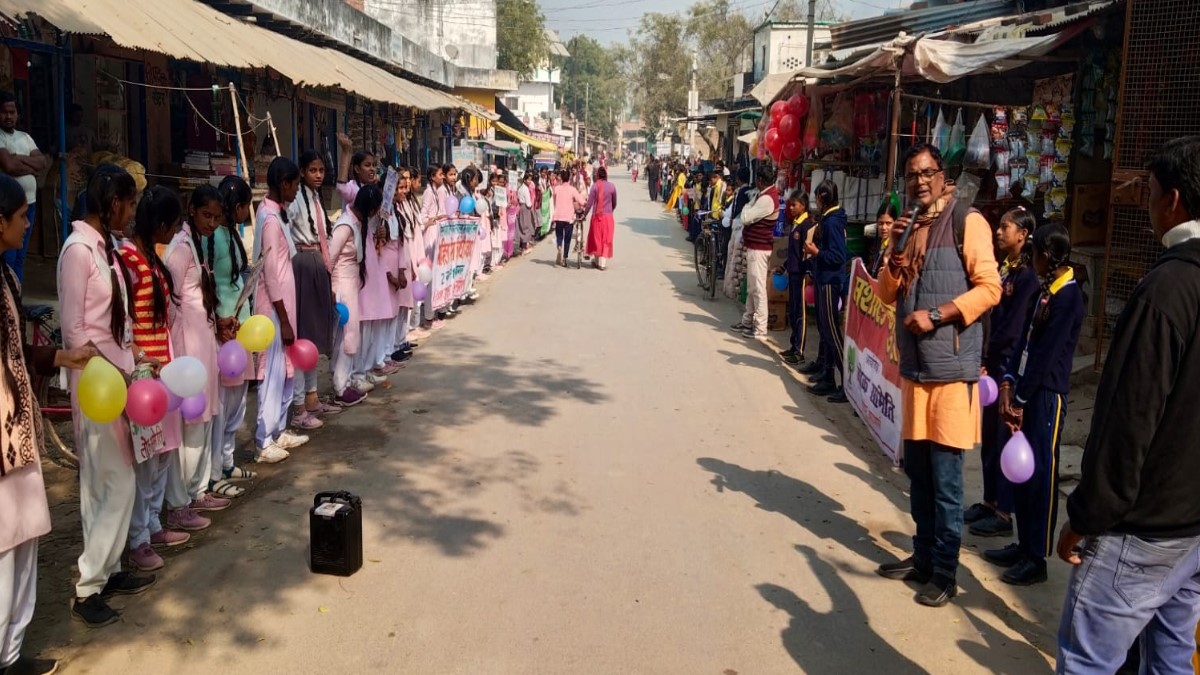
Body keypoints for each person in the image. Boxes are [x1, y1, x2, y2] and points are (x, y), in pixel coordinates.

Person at [1055, 136, 1200, 672]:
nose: (1148, 207)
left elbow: (1127, 421)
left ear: (1174, 201)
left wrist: (1085, 516)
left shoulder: (1166, 290)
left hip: (1144, 530)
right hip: (1190, 530)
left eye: (1151, 194)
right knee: (1170, 661)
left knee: (1088, 661)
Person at [874, 143, 1001, 607]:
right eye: (912, 176)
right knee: (920, 476)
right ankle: (923, 557)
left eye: (927, 173)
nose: (920, 182)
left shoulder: (969, 222)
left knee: (947, 483)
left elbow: (991, 289)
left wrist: (939, 315)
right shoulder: (907, 226)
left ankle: (946, 572)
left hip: (950, 373)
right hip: (915, 372)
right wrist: (893, 253)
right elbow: (888, 295)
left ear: (942, 176)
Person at [2, 173, 96, 674]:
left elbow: (17, 350)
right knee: (5, 542)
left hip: (19, 425)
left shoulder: (9, 277)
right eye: (21, 217)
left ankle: (12, 652)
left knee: (27, 534)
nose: (28, 224)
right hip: (1, 431)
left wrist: (61, 354)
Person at [60, 164, 158, 627]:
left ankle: (109, 569)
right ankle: (87, 586)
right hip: (96, 382)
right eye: (129, 202)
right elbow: (76, 329)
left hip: (117, 377)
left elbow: (118, 320)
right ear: (109, 201)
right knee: (113, 482)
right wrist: (107, 367)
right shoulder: (78, 251)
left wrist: (134, 354)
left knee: (107, 482)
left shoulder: (109, 250)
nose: (132, 212)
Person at [982, 224, 1084, 586]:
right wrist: (1008, 382)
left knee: (1041, 476)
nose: (1032, 259)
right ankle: (1022, 544)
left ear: (1048, 255)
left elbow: (1045, 355)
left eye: (1036, 252)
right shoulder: (1044, 290)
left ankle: (1036, 557)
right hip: (1024, 389)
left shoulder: (1069, 297)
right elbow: (1025, 342)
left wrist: (1021, 398)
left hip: (1045, 397)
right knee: (1022, 474)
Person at [118, 186, 191, 574]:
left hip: (165, 368)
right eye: (174, 223)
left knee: (162, 453)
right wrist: (141, 359)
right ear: (161, 225)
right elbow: (125, 320)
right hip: (144, 372)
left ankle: (154, 524)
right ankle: (138, 539)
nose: (176, 229)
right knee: (145, 459)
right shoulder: (129, 259)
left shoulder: (151, 256)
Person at [964, 207, 1039, 539]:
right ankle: (989, 498)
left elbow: (1015, 328)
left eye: (1004, 227)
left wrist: (994, 354)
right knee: (989, 436)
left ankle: (1004, 512)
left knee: (1005, 436)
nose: (998, 232)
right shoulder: (1004, 269)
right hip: (991, 362)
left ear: (1022, 234)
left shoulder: (1027, 277)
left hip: (1008, 365)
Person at [164, 185, 232, 530]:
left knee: (204, 418)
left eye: (217, 217)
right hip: (187, 343)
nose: (212, 222)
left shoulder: (197, 244)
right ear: (191, 211)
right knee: (189, 422)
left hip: (203, 339)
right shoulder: (178, 249)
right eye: (207, 215)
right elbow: (172, 305)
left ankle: (199, 489)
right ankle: (180, 500)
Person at [253, 158, 308, 463]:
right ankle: (264, 438)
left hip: (285, 305)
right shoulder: (271, 221)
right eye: (296, 183)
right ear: (284, 183)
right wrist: (283, 319)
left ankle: (278, 429)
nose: (297, 189)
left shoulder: (277, 213)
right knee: (271, 372)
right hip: (274, 310)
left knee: (286, 368)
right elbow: (271, 273)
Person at [209, 177, 258, 493]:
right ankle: (214, 473)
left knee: (238, 401)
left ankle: (227, 460)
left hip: (241, 322)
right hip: (224, 326)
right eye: (245, 207)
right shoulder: (210, 238)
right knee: (223, 403)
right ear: (237, 207)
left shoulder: (233, 235)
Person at [286, 150, 337, 430]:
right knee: (303, 337)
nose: (318, 175)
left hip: (319, 262)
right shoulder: (295, 201)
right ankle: (297, 406)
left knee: (315, 336)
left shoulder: (315, 198)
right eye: (313, 170)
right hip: (304, 264)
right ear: (302, 171)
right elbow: (287, 232)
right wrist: (300, 260)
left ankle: (313, 397)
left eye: (321, 170)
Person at [329, 185, 384, 406]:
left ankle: (344, 379)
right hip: (341, 285)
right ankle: (340, 387)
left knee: (349, 335)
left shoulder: (358, 222)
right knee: (347, 335)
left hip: (352, 284)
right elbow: (330, 259)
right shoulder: (345, 225)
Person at [803, 180, 849, 403]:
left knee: (832, 332)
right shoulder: (829, 218)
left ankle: (846, 384)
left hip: (831, 281)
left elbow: (838, 257)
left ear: (822, 197)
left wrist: (816, 251)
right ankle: (828, 375)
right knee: (825, 330)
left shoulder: (832, 222)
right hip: (823, 278)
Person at [0, 92, 45, 283]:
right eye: (4, 112)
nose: (9, 116)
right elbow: (8, 166)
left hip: (30, 205)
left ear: (17, 114)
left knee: (20, 256)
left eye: (12, 112)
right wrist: (30, 167)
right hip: (10, 209)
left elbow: (42, 162)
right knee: (8, 256)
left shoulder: (25, 137)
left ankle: (16, 299)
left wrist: (17, 158)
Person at [730, 163, 779, 339]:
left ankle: (760, 327)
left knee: (757, 288)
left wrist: (747, 206)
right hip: (755, 246)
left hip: (759, 248)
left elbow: (745, 217)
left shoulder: (766, 199)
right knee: (752, 288)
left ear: (759, 180)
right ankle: (747, 321)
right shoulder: (763, 195)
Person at [778, 192, 813, 366]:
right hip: (792, 272)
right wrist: (784, 266)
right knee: (793, 310)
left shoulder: (806, 225)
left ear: (803, 206)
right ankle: (793, 346)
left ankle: (799, 351)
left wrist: (808, 273)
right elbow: (794, 252)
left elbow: (807, 253)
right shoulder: (796, 224)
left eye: (795, 205)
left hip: (801, 274)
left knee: (800, 313)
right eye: (790, 205)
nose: (791, 208)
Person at [583, 166, 617, 271]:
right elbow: (614, 202)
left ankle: (597, 260)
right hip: (608, 217)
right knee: (606, 239)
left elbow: (589, 203)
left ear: (597, 175)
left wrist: (584, 214)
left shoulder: (594, 186)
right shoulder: (612, 186)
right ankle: (602, 263)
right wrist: (610, 210)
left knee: (596, 238)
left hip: (596, 216)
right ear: (606, 175)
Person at [551, 169, 584, 267]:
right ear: (569, 178)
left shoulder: (557, 189)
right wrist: (585, 204)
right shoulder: (572, 189)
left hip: (558, 216)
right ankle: (565, 258)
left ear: (561, 178)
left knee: (559, 235)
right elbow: (580, 200)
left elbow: (554, 201)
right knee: (568, 238)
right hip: (569, 218)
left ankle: (559, 247)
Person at [516, 171, 536, 254]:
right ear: (524, 180)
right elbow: (528, 203)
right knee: (526, 226)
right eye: (528, 180)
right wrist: (530, 206)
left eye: (530, 180)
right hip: (525, 207)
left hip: (521, 207)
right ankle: (524, 247)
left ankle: (522, 246)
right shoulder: (525, 189)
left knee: (521, 225)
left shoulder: (520, 188)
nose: (529, 181)